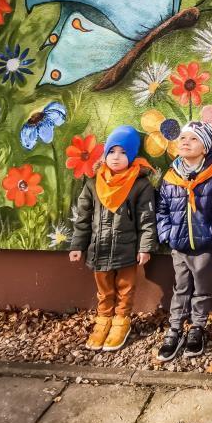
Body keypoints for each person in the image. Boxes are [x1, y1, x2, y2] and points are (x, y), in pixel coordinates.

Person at [69, 125, 157, 352]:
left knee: (125, 288)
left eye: (123, 152)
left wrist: (145, 247)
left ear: (132, 156)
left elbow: (146, 219)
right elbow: (83, 217)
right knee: (104, 289)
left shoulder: (140, 185)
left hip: (126, 249)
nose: (116, 157)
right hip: (99, 248)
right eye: (112, 151)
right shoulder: (93, 183)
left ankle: (121, 321)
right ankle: (103, 320)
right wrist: (78, 245)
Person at [155, 121, 212, 361]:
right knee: (181, 288)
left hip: (205, 248)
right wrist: (167, 233)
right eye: (183, 138)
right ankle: (175, 328)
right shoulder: (170, 177)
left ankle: (197, 328)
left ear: (205, 148)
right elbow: (162, 209)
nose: (186, 142)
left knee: (203, 290)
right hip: (179, 246)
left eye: (193, 139)